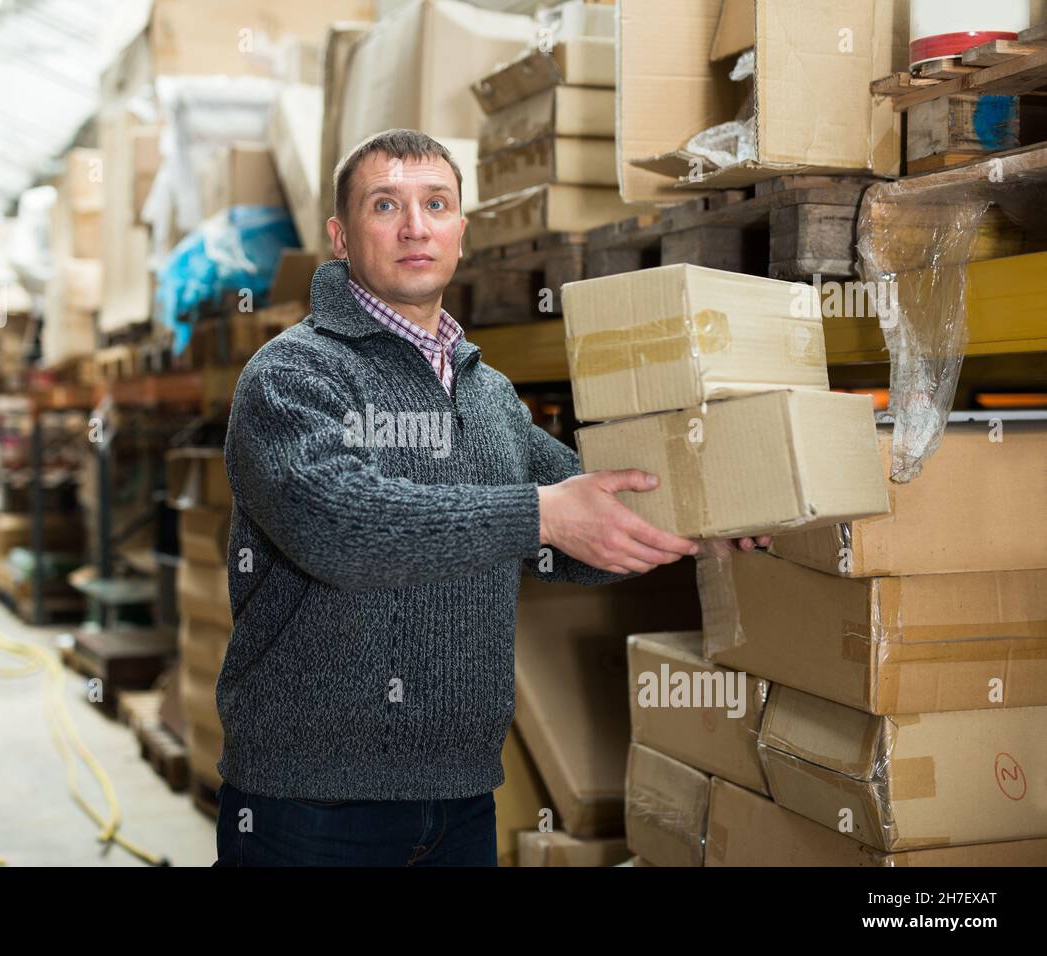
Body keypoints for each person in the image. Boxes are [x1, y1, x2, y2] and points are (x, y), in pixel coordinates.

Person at [211, 129, 767, 867]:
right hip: (312, 806)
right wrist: (536, 511)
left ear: (460, 234)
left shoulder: (490, 396)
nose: (415, 226)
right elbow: (339, 525)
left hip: (463, 799)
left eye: (435, 203)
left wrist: (702, 523)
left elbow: (581, 528)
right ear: (341, 237)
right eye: (386, 205)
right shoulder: (292, 376)